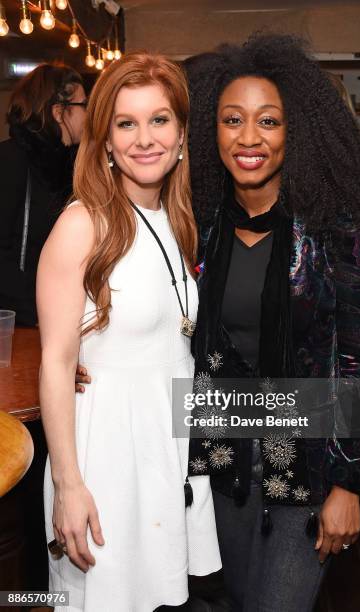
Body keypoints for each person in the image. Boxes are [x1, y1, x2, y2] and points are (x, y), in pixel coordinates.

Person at [184, 34, 360, 611]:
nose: (249, 137)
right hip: (214, 471)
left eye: (268, 121)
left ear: (294, 132)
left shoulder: (337, 231)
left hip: (306, 475)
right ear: (212, 131)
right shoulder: (193, 228)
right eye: (233, 120)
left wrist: (348, 483)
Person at [37, 52, 221, 612]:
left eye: (159, 120)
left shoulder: (177, 217)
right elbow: (56, 362)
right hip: (106, 458)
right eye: (126, 123)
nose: (145, 138)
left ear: (183, 132)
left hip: (166, 450)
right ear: (107, 142)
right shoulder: (82, 223)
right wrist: (69, 485)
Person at [0, 63, 87, 326]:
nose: (89, 114)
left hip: (58, 318)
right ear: (59, 112)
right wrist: (37, 310)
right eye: (84, 106)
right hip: (21, 324)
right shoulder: (11, 161)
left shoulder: (71, 166)